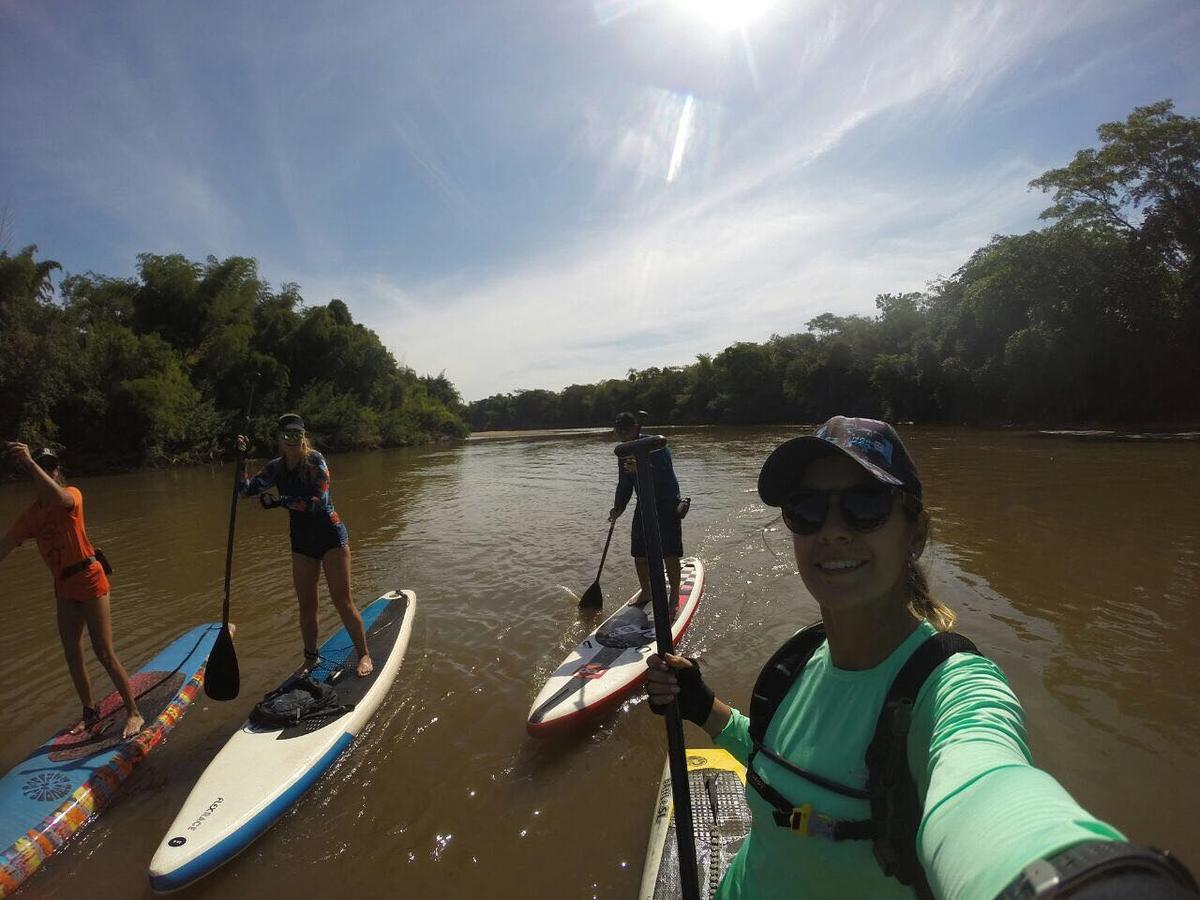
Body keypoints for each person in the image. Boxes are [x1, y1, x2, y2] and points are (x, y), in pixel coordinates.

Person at [644, 416, 1198, 899]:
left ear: (915, 532)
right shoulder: (797, 661)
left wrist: (1089, 879)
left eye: (865, 505)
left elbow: (984, 784)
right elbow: (780, 764)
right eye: (807, 509)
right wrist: (705, 707)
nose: (833, 531)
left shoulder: (950, 689)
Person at [0, 442, 145, 739]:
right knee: (72, 654)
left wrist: (29, 463)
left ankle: (134, 712)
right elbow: (6, 545)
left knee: (103, 651)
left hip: (90, 578)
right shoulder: (31, 516)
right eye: (43, 466)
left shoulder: (72, 495)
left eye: (51, 466)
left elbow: (60, 498)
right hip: (64, 587)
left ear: (57, 471)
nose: (49, 471)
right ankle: (90, 713)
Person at [236, 414, 373, 677]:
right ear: (279, 438)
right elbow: (244, 492)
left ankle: (363, 653)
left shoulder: (315, 460)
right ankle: (311, 659)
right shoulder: (275, 468)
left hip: (330, 536)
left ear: (303, 436)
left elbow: (318, 501)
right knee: (306, 604)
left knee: (342, 600)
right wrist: (241, 459)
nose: (292, 440)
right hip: (301, 541)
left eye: (297, 435)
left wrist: (278, 501)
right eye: (286, 435)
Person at [609, 411, 686, 616]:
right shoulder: (624, 451)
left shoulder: (656, 444)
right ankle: (646, 591)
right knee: (639, 553)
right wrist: (618, 507)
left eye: (626, 428)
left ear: (636, 427)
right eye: (619, 430)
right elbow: (624, 482)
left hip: (666, 502)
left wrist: (643, 465)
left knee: (669, 552)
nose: (622, 433)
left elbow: (664, 471)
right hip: (643, 504)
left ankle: (674, 595)